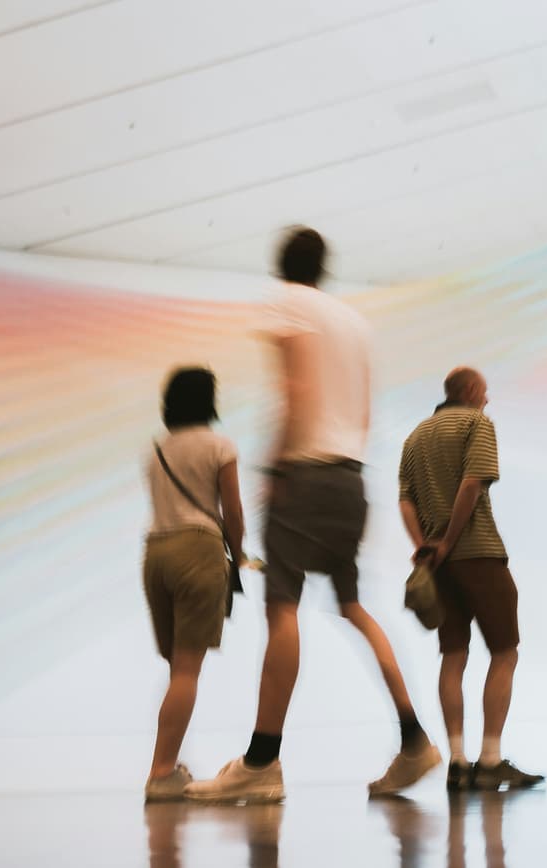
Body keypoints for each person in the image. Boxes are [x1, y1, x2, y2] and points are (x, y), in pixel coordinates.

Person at [187, 227, 440, 804]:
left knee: (282, 612)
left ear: (282, 265)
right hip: (349, 479)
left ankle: (261, 761)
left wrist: (275, 469)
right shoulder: (353, 321)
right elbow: (367, 410)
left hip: (302, 475)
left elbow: (295, 387)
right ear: (325, 266)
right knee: (354, 607)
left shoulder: (286, 303)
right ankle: (414, 739)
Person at [398, 368, 544, 791]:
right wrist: (448, 539)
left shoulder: (417, 435)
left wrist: (426, 545)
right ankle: (492, 760)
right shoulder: (477, 424)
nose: (489, 400)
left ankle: (457, 760)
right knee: (504, 651)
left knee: (453, 656)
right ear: (472, 392)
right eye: (485, 392)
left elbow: (405, 499)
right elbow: (472, 484)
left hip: (438, 566)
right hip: (478, 551)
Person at [142, 367, 246, 802]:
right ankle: (161, 773)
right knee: (188, 671)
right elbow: (233, 511)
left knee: (176, 670)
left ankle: (168, 765)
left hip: (156, 553)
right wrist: (237, 556)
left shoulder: (157, 451)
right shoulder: (219, 445)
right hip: (198, 550)